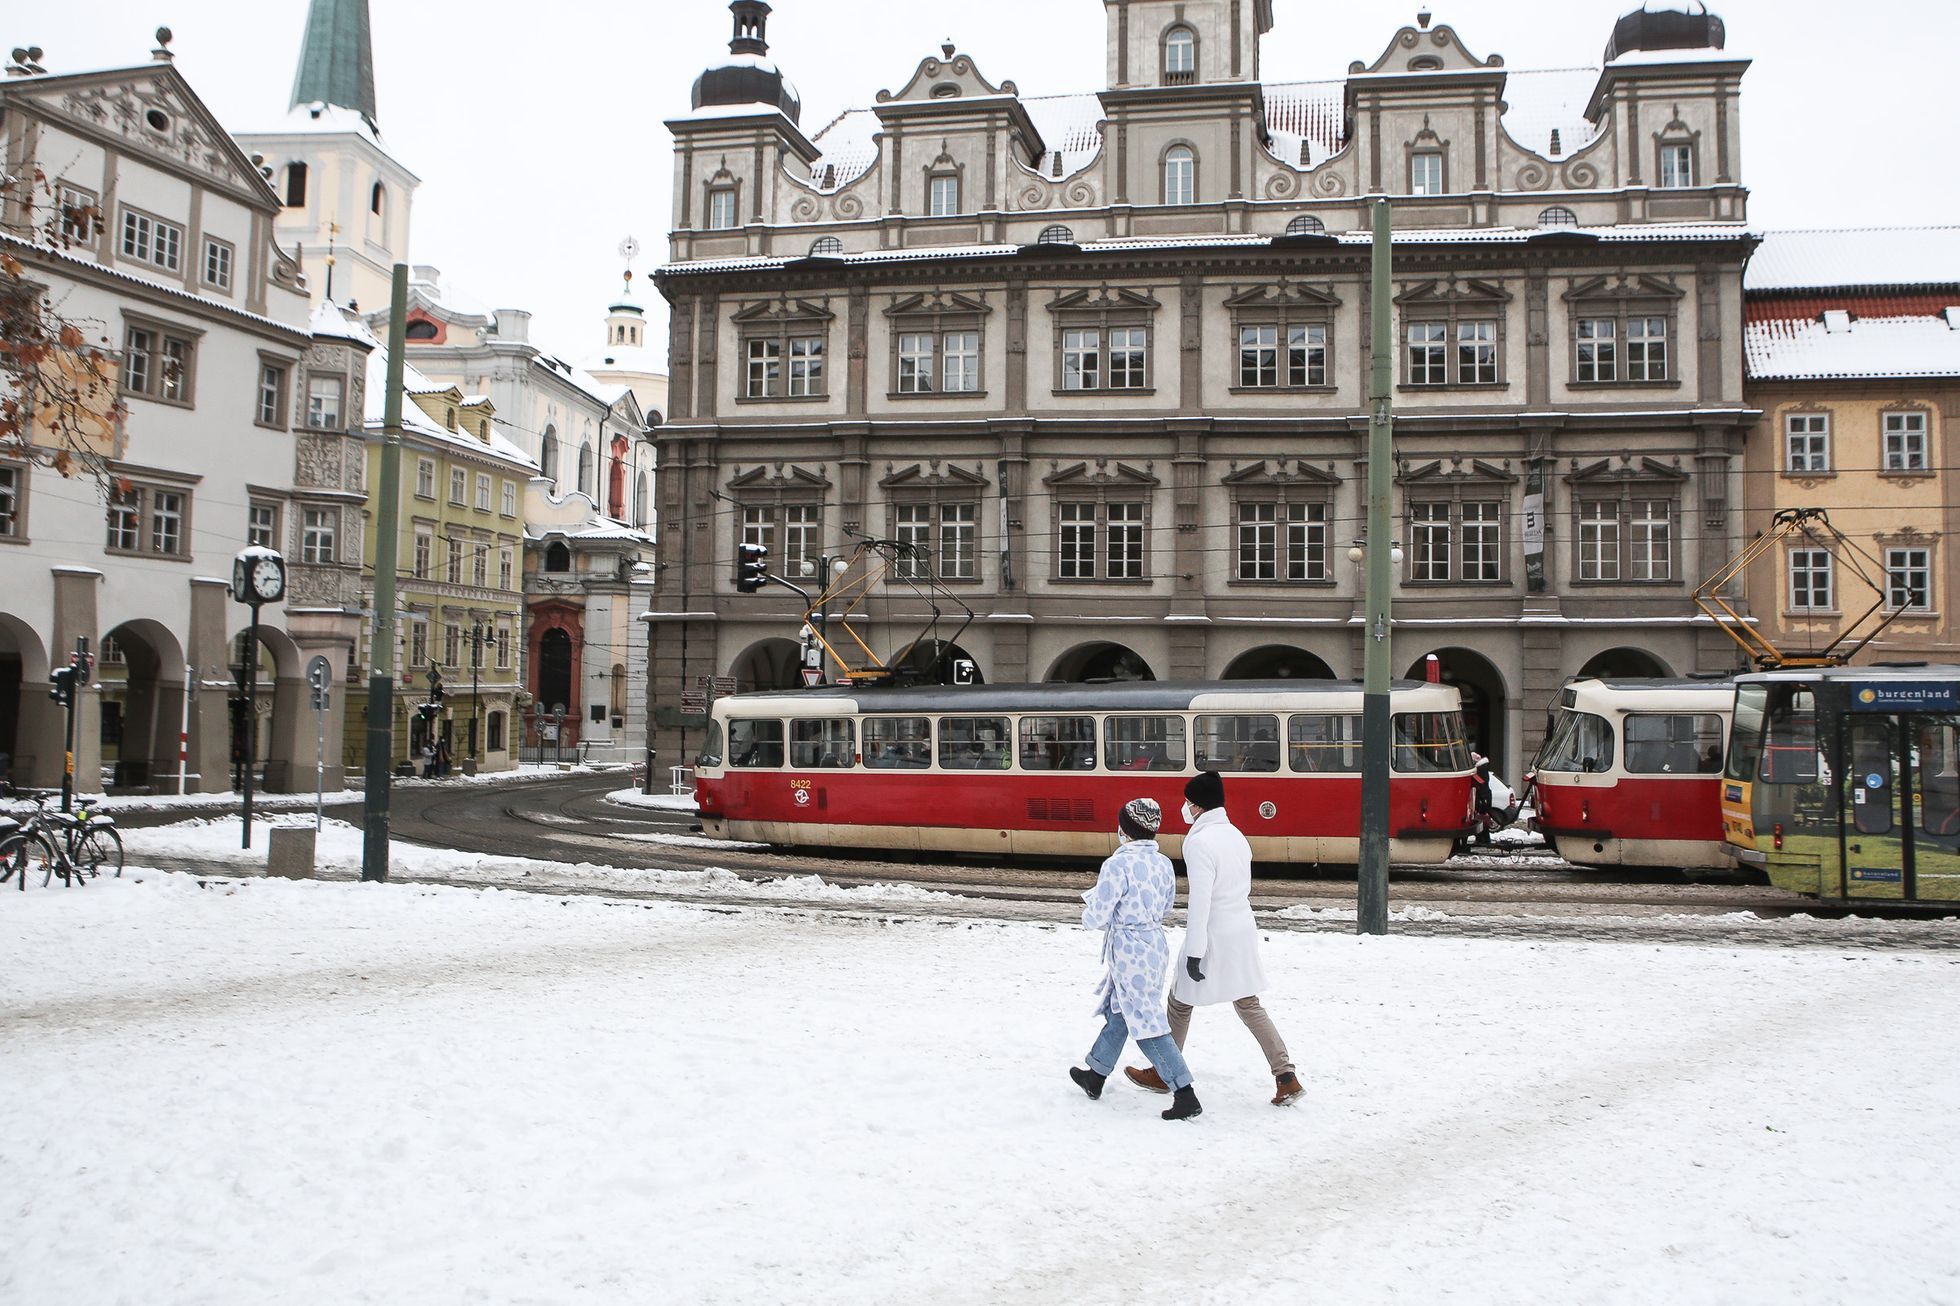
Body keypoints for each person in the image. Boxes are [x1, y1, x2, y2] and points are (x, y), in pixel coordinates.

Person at [1126, 770, 1303, 1106]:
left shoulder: (1199, 842)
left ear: (1198, 807)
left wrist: (1194, 951)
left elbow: (1201, 900)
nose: (1185, 807)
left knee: (1179, 1002)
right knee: (1249, 1004)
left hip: (1214, 932)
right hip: (1241, 928)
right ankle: (1286, 1076)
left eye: (1188, 802)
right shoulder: (1236, 835)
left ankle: (1165, 1071)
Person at [1070, 798, 1202, 1121]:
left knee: (1145, 1021)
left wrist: (1087, 914)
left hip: (1128, 950)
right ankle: (1096, 1074)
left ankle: (1184, 1092)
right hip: (1154, 946)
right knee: (1122, 1010)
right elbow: (1168, 906)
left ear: (1124, 830)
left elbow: (1099, 913)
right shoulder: (1164, 864)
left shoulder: (1117, 865)